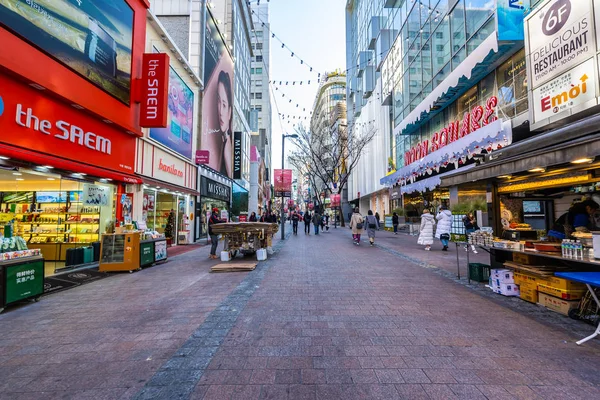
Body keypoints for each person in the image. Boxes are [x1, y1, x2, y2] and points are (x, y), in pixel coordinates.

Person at [216, 71, 233, 177]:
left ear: (230, 112)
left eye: (224, 105)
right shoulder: (224, 141)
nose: (221, 111)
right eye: (218, 101)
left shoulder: (227, 146)